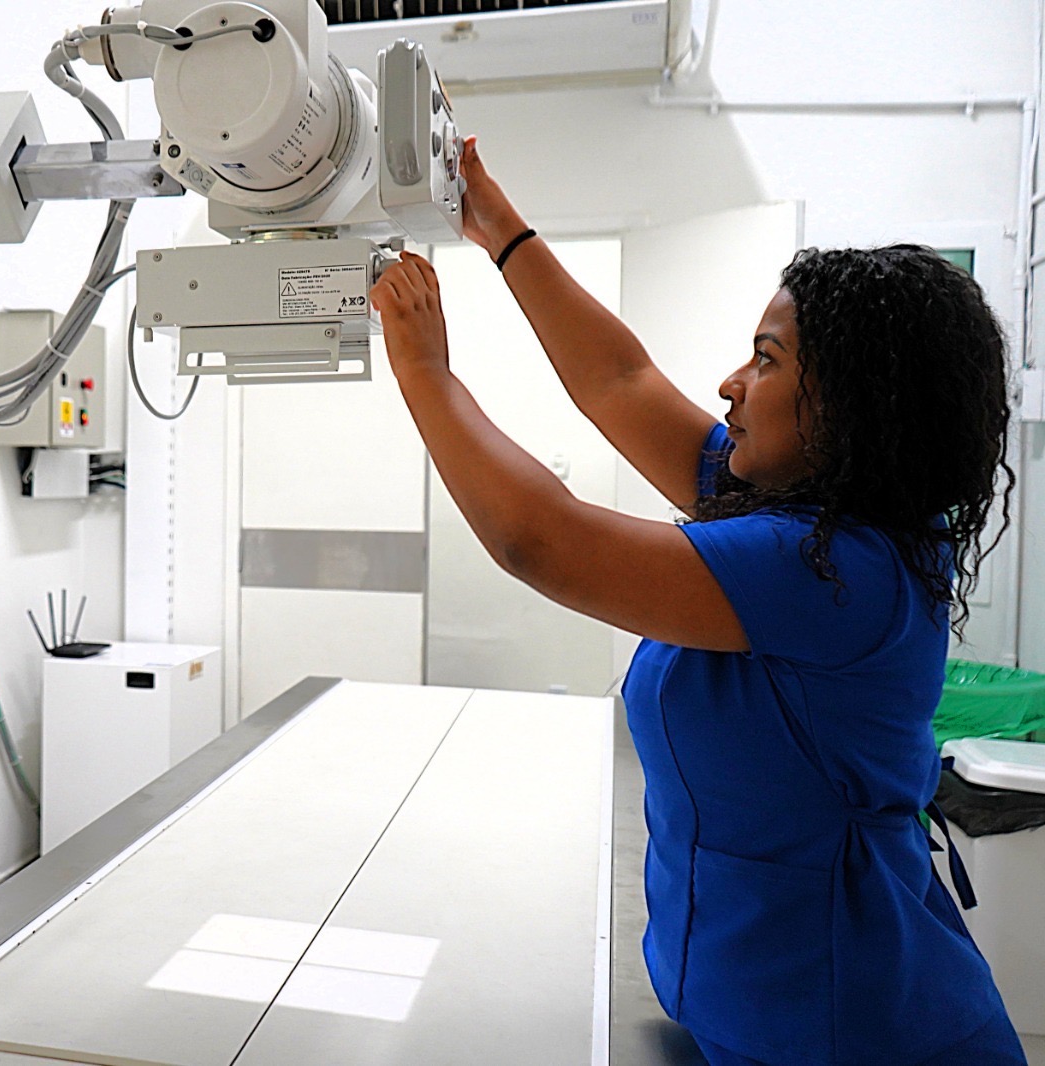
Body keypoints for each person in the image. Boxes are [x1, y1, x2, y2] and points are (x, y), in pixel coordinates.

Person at [369, 136, 1026, 1066]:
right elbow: (621, 383)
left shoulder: (835, 568)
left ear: (849, 406)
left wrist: (425, 374)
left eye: (766, 360)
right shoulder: (801, 507)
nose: (731, 383)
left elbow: (541, 541)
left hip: (863, 1034)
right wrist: (498, 228)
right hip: (769, 1010)